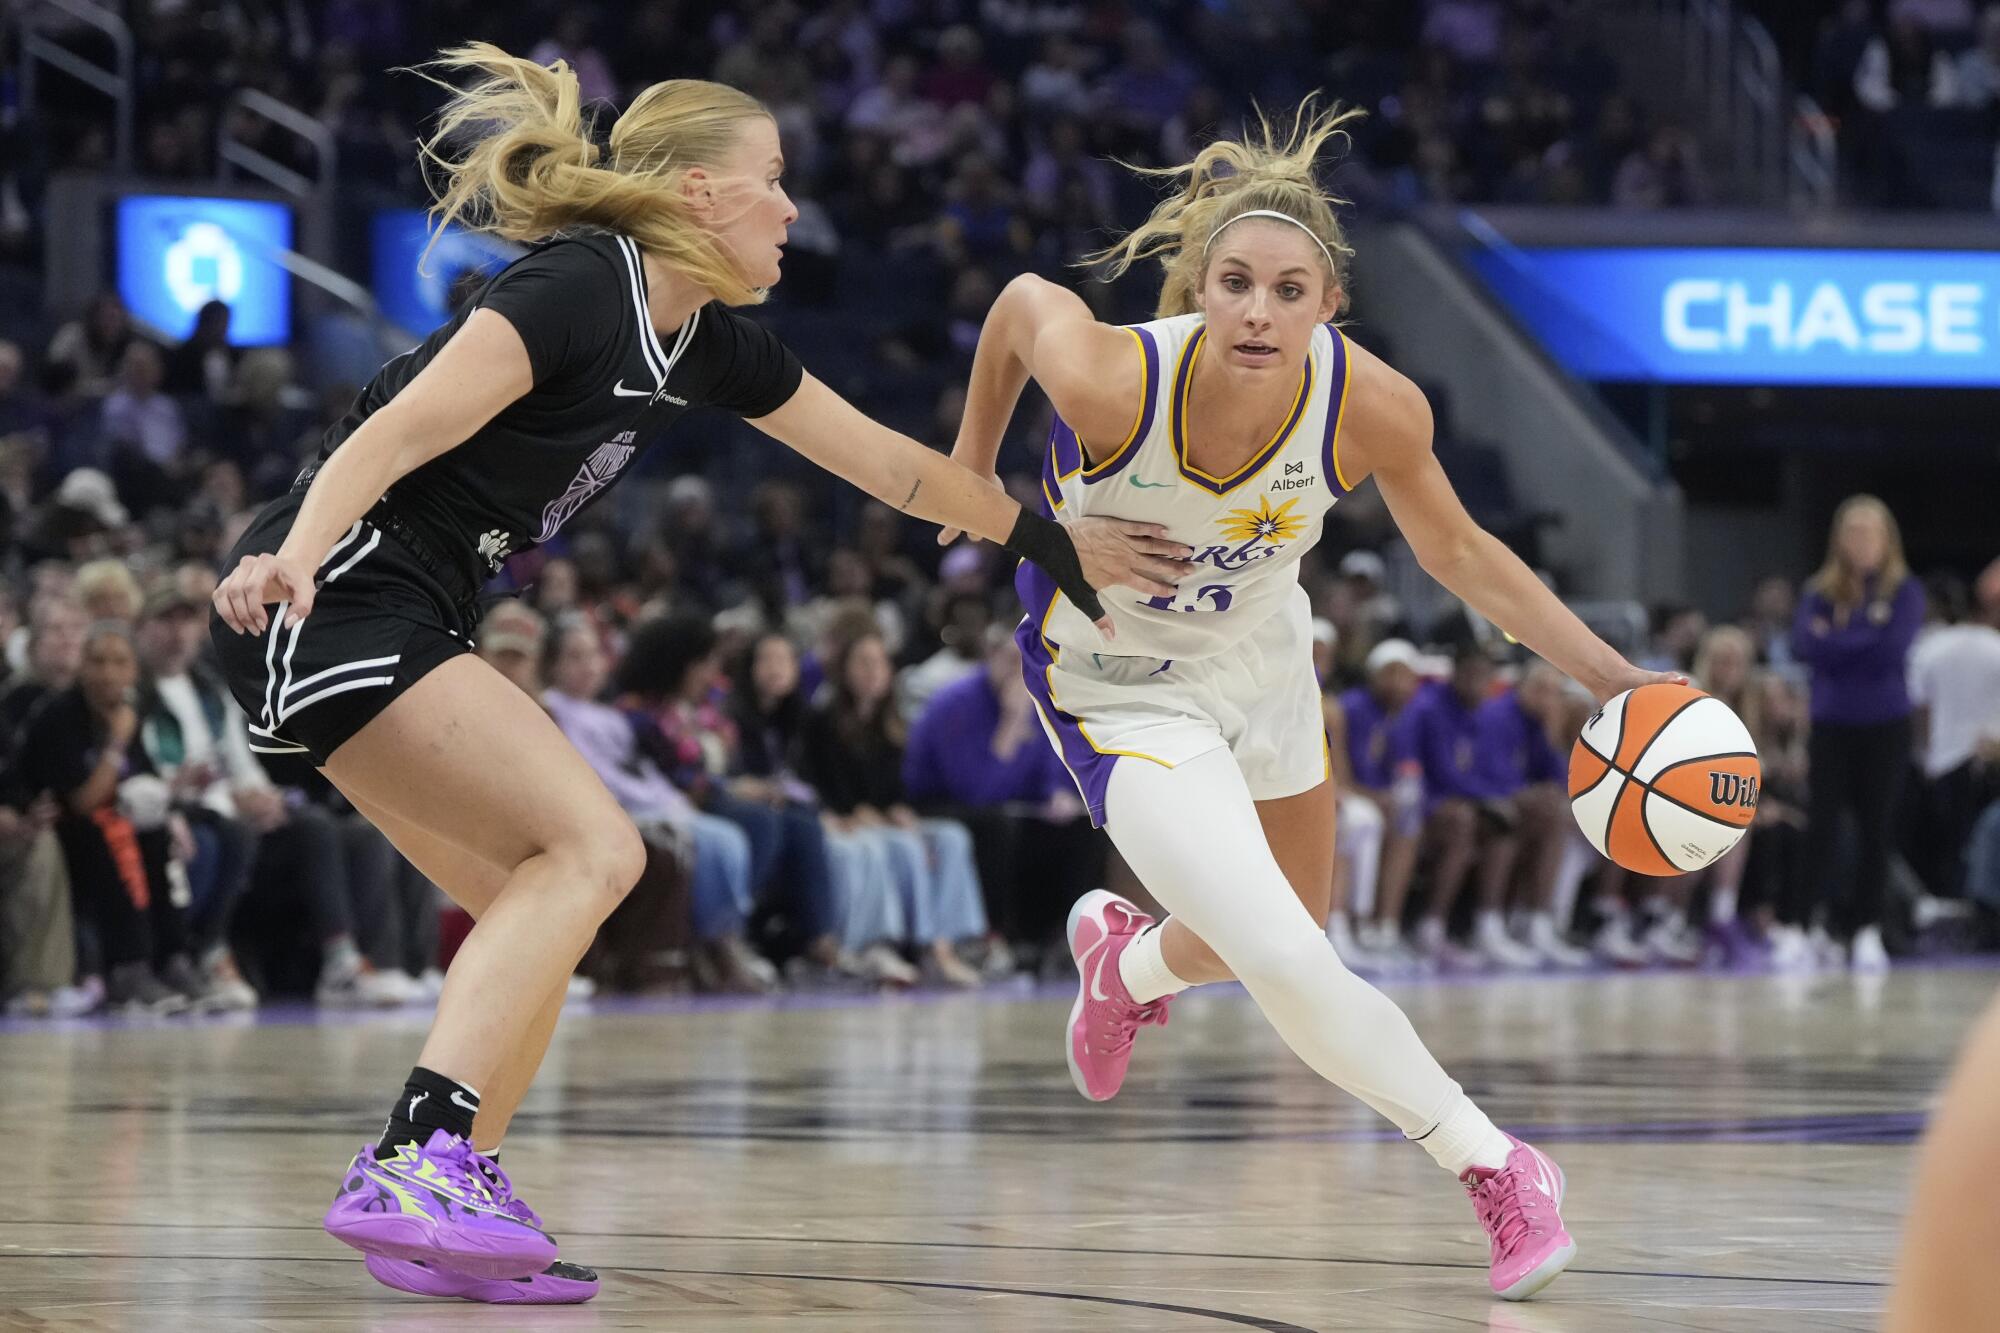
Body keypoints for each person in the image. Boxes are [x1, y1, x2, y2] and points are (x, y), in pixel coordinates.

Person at [205, 44, 1168, 1307]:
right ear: (699, 194)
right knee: (596, 852)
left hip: (390, 611)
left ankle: (447, 1204)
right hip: (333, 597)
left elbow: (892, 467)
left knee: (536, 903)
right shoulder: (574, 286)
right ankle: (412, 1161)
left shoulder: (705, 344)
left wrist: (1046, 534)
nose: (790, 208)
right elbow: (395, 430)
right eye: (770, 179)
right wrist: (291, 556)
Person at [942, 100, 1676, 1302]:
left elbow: (1462, 554)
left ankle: (1123, 973)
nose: (1257, 311)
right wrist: (980, 483)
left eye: (1288, 290)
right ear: (1196, 287)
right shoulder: (1115, 380)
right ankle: (1493, 1164)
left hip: (1266, 655)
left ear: (1327, 304)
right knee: (1283, 953)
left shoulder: (1372, 403)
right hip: (1120, 690)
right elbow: (1023, 303)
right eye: (1234, 283)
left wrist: (1611, 677)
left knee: (1292, 935)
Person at [1791, 495, 1923, 971]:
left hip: (1885, 724)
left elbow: (1890, 651)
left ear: (1887, 539)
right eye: (1853, 531)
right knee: (1820, 825)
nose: (1862, 541)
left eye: (1871, 532)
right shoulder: (1817, 591)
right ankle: (1803, 924)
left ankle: (1866, 928)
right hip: (1831, 722)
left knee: (1876, 828)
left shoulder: (1905, 591)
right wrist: (1859, 638)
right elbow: (1806, 645)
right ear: (1839, 539)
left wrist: (1839, 640)